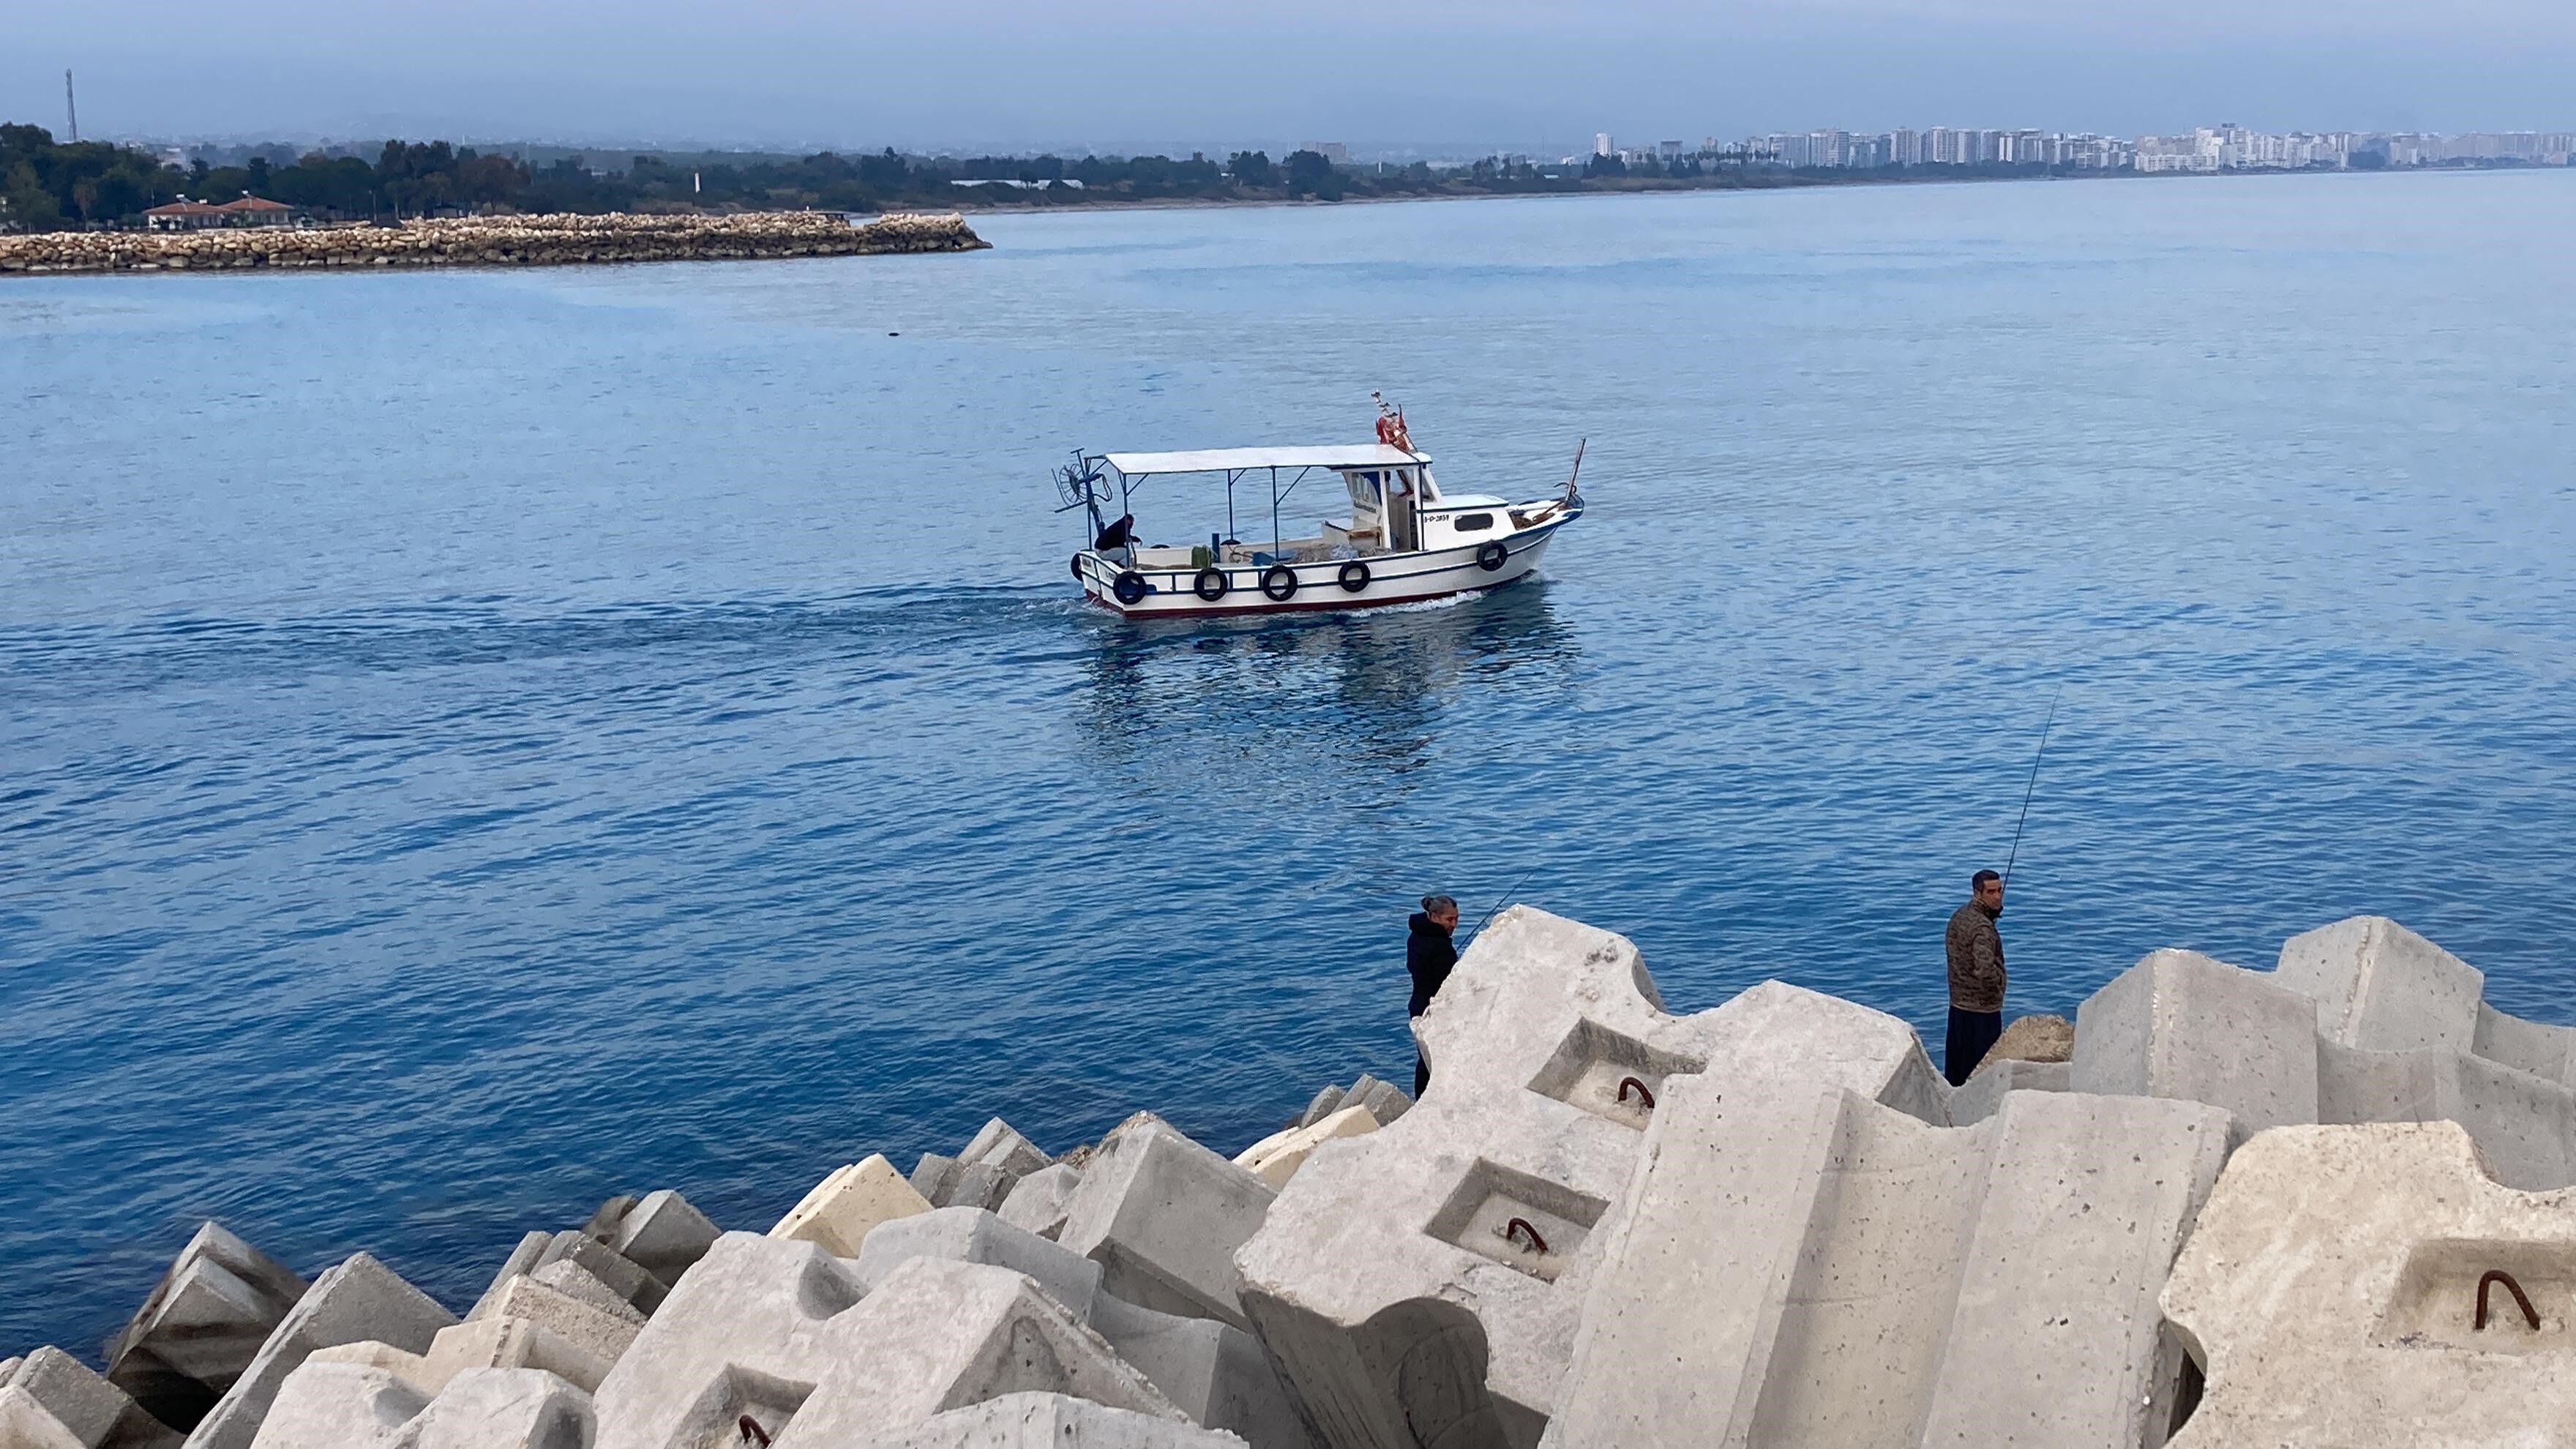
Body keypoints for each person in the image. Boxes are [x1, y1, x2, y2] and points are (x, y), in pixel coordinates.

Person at [1944, 869, 2007, 1085]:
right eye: (1991, 892)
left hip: (1958, 1005)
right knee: (1982, 1077)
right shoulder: (1983, 929)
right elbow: (1984, 969)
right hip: (1983, 1012)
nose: (1998, 896)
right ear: (1977, 893)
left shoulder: (1958, 917)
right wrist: (1997, 987)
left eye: (1999, 890)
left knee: (1955, 1074)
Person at [1407, 894, 1461, 1097]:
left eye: (1456, 919)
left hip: (1416, 1004)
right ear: (1435, 917)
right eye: (1449, 919)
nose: (1454, 924)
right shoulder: (1439, 946)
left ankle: (1420, 1098)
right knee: (1435, 1060)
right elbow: (1447, 980)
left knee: (1425, 1059)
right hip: (1432, 1007)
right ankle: (1428, 1099)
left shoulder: (1416, 935)